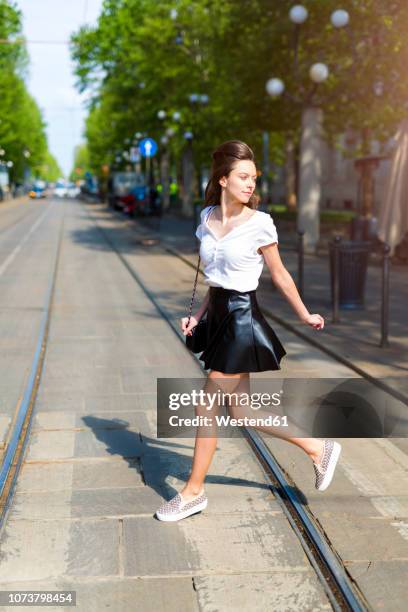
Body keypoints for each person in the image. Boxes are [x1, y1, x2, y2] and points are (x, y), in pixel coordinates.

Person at [155, 140, 341, 522]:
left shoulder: (260, 224)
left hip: (242, 317)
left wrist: (305, 314)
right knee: (241, 409)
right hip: (219, 314)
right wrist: (197, 317)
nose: (250, 184)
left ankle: (193, 492)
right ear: (223, 179)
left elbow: (280, 275)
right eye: (243, 177)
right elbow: (212, 281)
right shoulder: (206, 217)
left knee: (206, 404)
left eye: (253, 178)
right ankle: (317, 448)